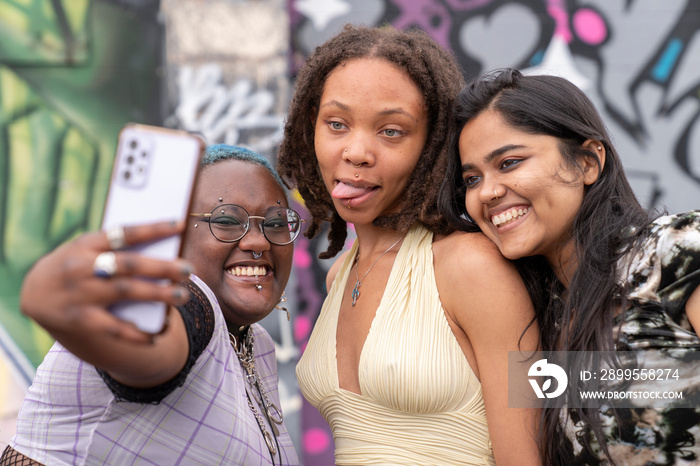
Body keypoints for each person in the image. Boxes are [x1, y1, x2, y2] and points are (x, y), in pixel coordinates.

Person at [277, 25, 541, 465]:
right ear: (312, 128)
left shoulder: (470, 267)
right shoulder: (345, 272)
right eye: (337, 124)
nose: (357, 151)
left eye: (392, 131)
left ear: (432, 145)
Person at [441, 68, 700, 464]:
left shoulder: (674, 254)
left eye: (509, 163)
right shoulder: (533, 317)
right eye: (472, 179)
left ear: (588, 163)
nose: (487, 192)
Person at [1, 145, 301, 465]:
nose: (258, 241)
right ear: (178, 237)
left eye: (275, 223)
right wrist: (61, 306)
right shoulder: (184, 307)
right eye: (226, 219)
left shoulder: (258, 345)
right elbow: (152, 346)